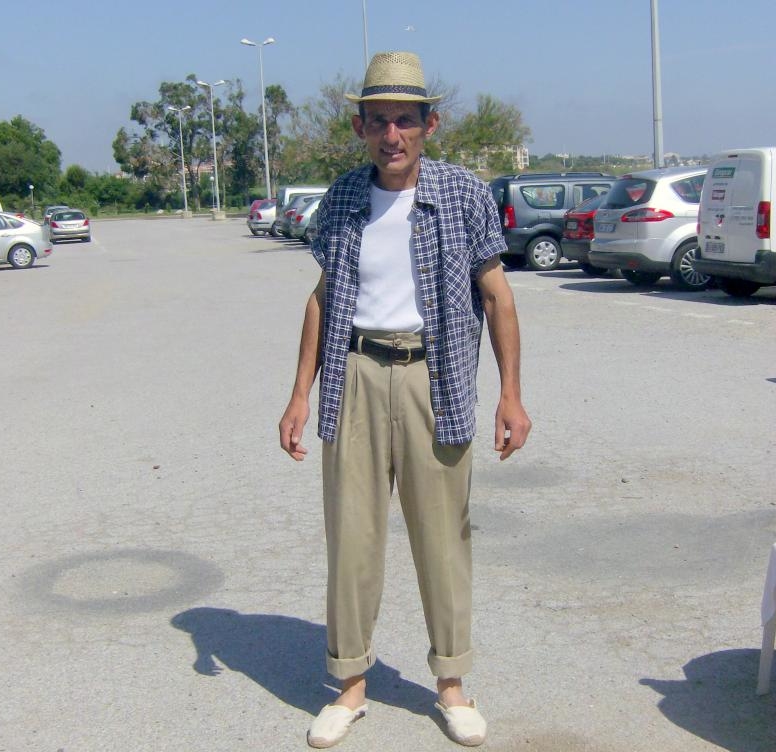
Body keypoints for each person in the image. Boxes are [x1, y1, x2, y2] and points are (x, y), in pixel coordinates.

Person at [278, 51, 531, 749]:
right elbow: (322, 299)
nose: (392, 135)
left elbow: (498, 296)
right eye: (379, 121)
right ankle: (350, 685)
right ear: (360, 127)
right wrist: (299, 395)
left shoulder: (463, 194)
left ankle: (451, 685)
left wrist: (511, 395)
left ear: (429, 125)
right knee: (351, 538)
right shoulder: (342, 199)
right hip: (355, 374)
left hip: (434, 378)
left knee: (443, 538)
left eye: (406, 121)